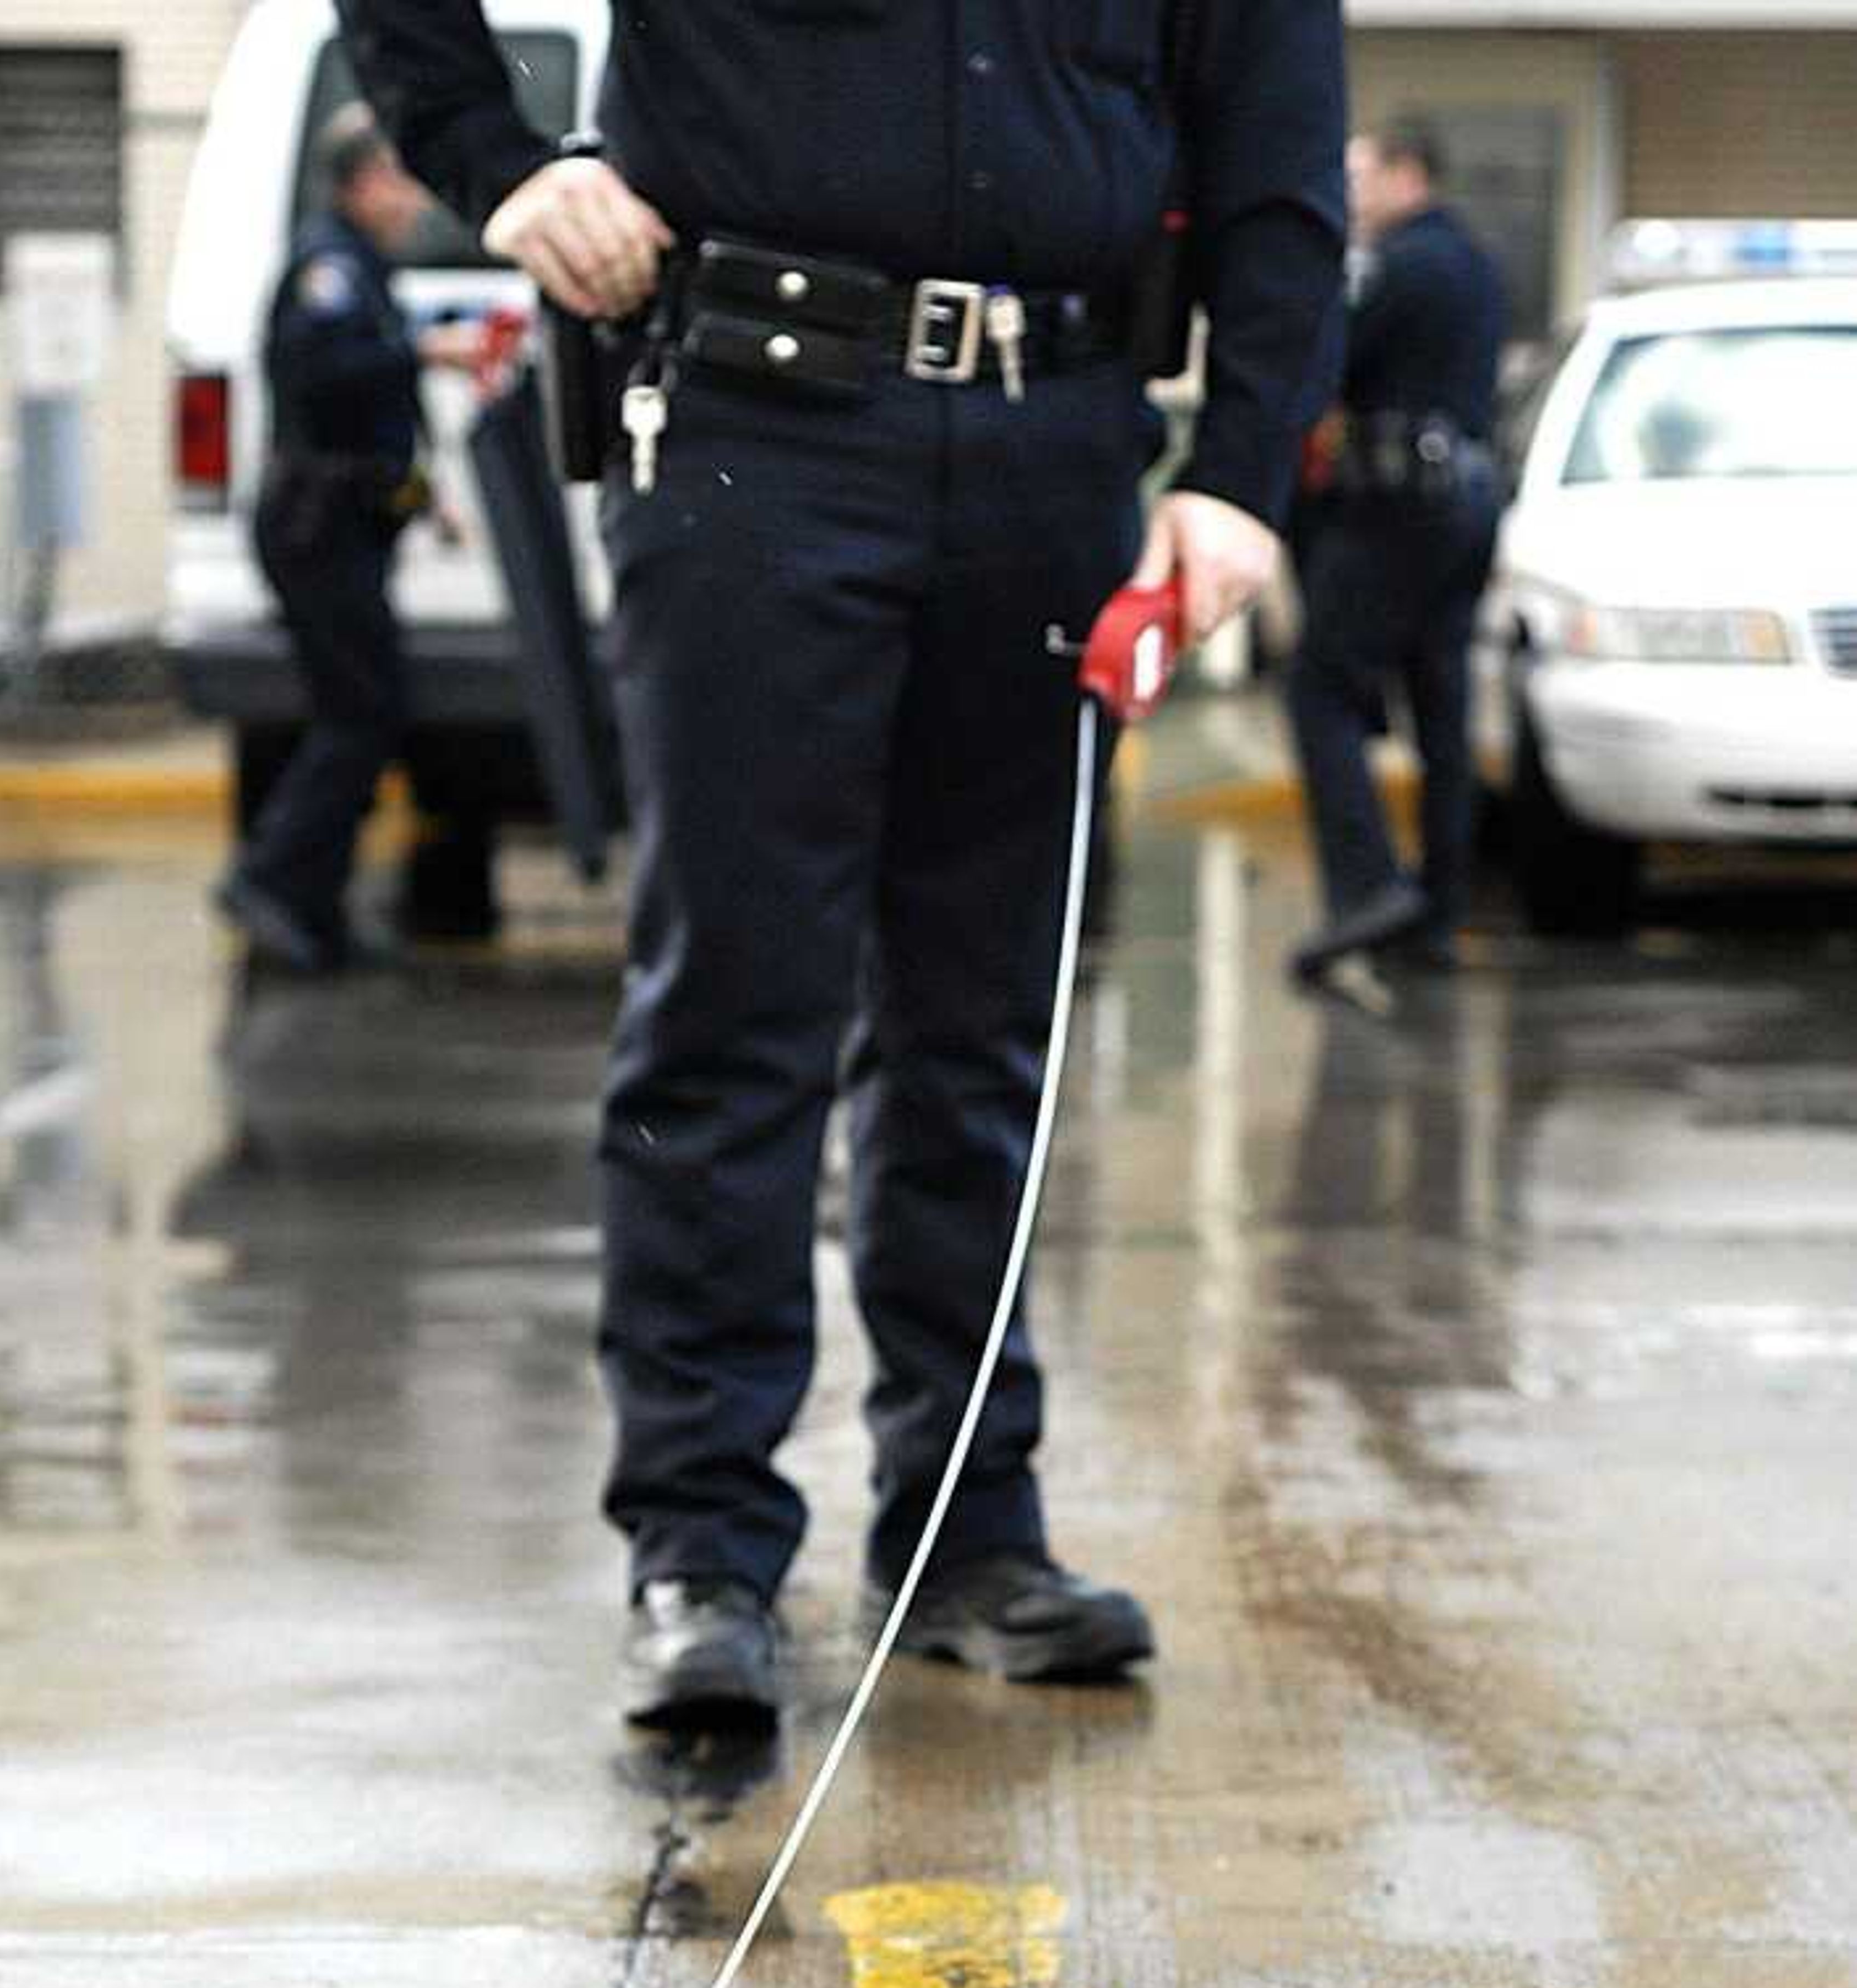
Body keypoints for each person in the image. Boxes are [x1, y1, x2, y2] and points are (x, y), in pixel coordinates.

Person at [336, 0, 1347, 1724]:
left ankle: (965, 1534)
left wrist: (1242, 471)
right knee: (736, 1006)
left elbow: (1278, 168)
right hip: (752, 426)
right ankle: (704, 1549)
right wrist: (496, 164)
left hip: (1060, 442)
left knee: (983, 1022)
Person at [217, 105, 480, 977]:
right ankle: (269, 880)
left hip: (344, 519)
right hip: (317, 527)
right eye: (402, 180)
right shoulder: (328, 267)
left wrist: (425, 495)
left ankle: (309, 909)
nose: (413, 201)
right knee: (360, 716)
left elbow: (373, 420)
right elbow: (320, 374)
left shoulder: (361, 264)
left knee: (362, 714)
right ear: (364, 182)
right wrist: (426, 354)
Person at [1287, 121, 1510, 982]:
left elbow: (1327, 365)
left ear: (1409, 173)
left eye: (1360, 175)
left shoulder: (1402, 264)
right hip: (1464, 503)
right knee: (1439, 707)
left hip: (1395, 507)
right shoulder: (1476, 262)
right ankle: (1436, 918)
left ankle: (1367, 887)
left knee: (1319, 688)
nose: (1350, 195)